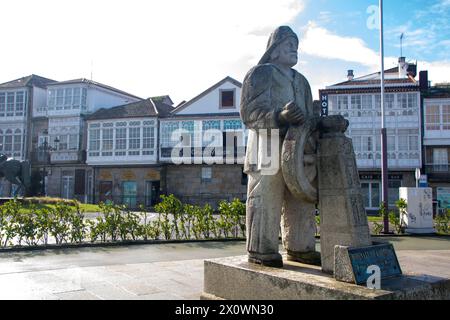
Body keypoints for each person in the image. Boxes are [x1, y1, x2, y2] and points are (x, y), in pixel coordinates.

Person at [240, 26, 320, 268]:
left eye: (295, 44)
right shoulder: (260, 74)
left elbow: (308, 118)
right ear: (274, 50)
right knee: (265, 198)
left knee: (301, 198)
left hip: (298, 149)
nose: (294, 48)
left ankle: (301, 247)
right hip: (267, 145)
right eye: (288, 44)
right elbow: (249, 113)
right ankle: (261, 250)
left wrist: (321, 124)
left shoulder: (302, 81)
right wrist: (281, 115)